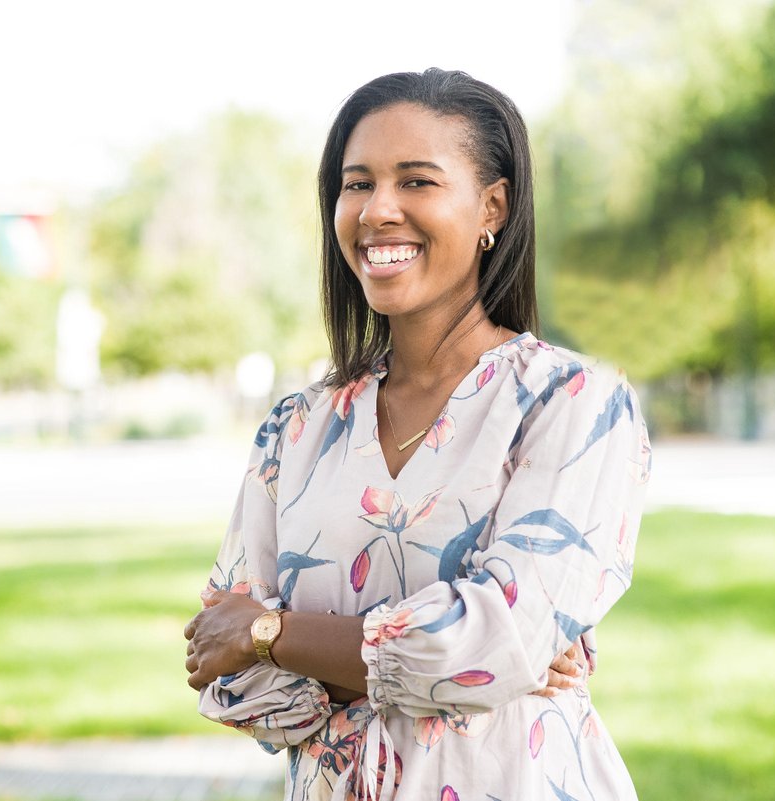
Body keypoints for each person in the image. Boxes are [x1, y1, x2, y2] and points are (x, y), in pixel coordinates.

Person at [184, 68, 652, 801]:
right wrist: (449, 655)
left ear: (493, 206)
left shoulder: (572, 403)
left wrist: (272, 633)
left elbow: (495, 646)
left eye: (416, 181)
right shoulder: (297, 428)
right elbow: (227, 678)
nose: (378, 210)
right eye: (357, 184)